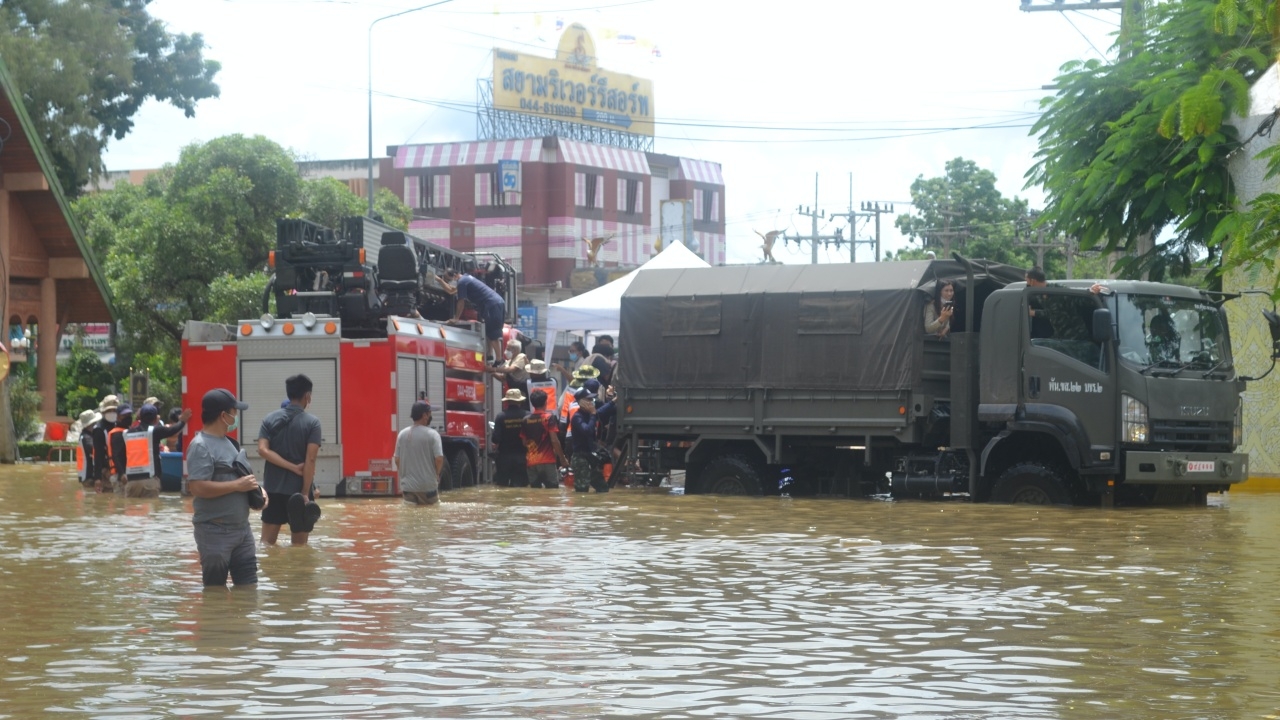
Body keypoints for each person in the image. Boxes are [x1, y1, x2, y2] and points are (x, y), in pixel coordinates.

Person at [188, 388, 263, 588]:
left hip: (242, 531)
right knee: (214, 592)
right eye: (234, 412)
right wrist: (238, 485)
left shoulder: (230, 443)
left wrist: (258, 492)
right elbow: (197, 487)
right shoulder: (201, 446)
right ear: (224, 415)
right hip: (214, 531)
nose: (236, 416)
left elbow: (243, 478)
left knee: (249, 590)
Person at [256, 374, 323, 546]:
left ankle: (270, 573)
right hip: (298, 491)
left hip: (273, 489)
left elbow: (262, 450)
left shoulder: (269, 419)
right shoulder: (313, 423)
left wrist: (290, 467)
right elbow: (310, 459)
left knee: (266, 544)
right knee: (299, 548)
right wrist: (305, 493)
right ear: (307, 396)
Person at [439, 268, 507, 365]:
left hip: (492, 304)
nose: (449, 282)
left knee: (493, 332)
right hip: (495, 302)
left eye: (448, 279)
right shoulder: (466, 278)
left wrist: (456, 318)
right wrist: (439, 280)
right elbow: (451, 291)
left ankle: (499, 360)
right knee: (488, 330)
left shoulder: (462, 282)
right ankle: (490, 355)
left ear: (454, 275)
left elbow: (461, 301)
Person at [123, 403, 191, 498]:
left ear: (140, 417)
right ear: (155, 419)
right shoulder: (154, 431)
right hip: (149, 481)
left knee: (131, 510)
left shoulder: (126, 433)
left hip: (131, 482)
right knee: (150, 510)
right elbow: (172, 430)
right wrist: (183, 421)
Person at [395, 400, 445, 505]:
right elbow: (439, 459)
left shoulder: (402, 434)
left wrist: (405, 475)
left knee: (409, 518)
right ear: (424, 416)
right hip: (428, 488)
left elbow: (397, 459)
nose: (431, 416)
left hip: (408, 488)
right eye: (430, 413)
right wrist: (436, 474)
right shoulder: (433, 435)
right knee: (432, 517)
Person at [569, 386, 612, 493]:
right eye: (588, 400)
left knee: (603, 488)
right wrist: (593, 415)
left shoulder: (589, 414)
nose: (591, 402)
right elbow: (587, 430)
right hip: (580, 458)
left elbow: (601, 411)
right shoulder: (577, 417)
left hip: (590, 456)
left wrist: (613, 402)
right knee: (582, 490)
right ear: (581, 402)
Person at [522, 389, 567, 489]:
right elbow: (554, 440)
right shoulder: (549, 418)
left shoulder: (525, 420)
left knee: (535, 495)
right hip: (548, 462)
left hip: (531, 462)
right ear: (545, 402)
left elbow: (524, 442)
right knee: (552, 492)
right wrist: (562, 459)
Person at [491, 389, 529, 487]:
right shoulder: (527, 415)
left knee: (502, 487)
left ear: (507, 401)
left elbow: (496, 439)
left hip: (504, 458)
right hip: (522, 457)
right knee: (520, 488)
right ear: (520, 401)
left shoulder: (500, 416)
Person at [90, 395, 119, 493]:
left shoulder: (117, 425)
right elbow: (98, 455)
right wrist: (97, 478)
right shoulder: (99, 429)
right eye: (109, 410)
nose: (112, 413)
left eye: (114, 410)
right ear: (103, 412)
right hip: (106, 471)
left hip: (118, 469)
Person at [107, 404, 135, 495]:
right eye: (125, 416)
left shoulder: (126, 431)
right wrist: (122, 473)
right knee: (120, 504)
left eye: (129, 415)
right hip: (119, 475)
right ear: (118, 417)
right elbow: (116, 455)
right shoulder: (117, 433)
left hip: (125, 473)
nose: (128, 418)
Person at [1025, 266, 1054, 339]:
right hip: (1036, 336)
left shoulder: (1053, 292)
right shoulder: (1032, 293)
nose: (1027, 283)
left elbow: (1053, 313)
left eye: (1027, 280)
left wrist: (1033, 312)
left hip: (1050, 336)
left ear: (1033, 281)